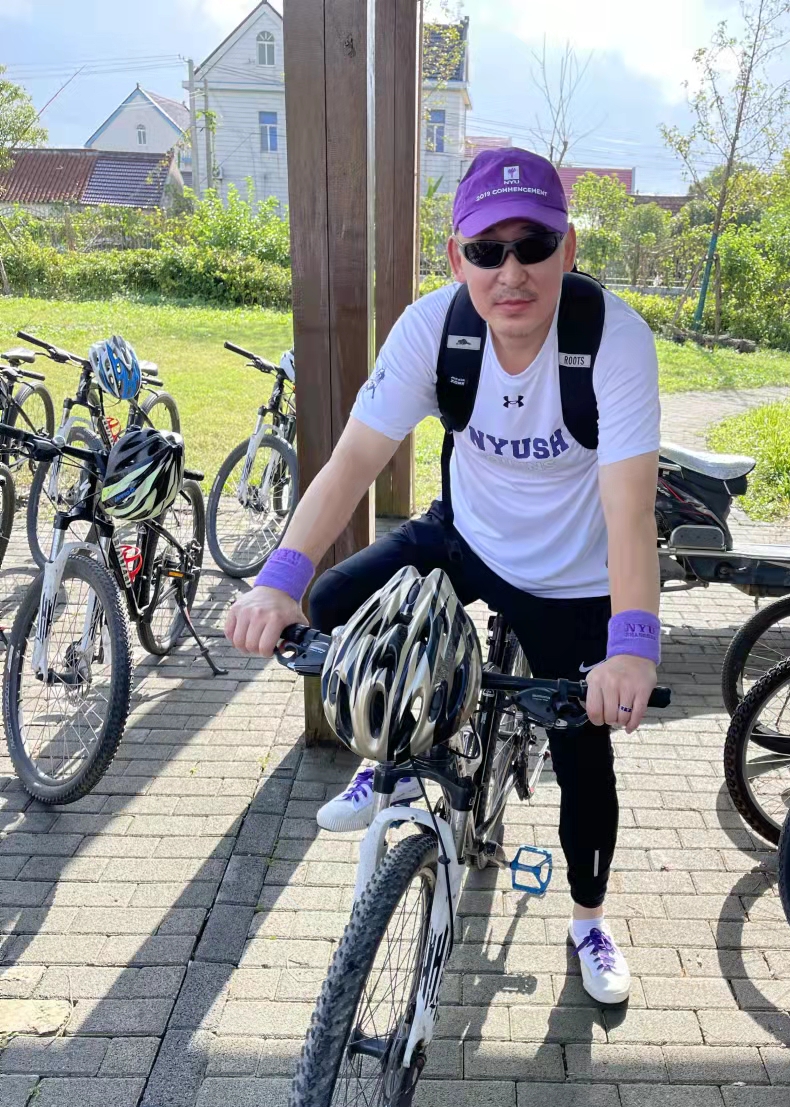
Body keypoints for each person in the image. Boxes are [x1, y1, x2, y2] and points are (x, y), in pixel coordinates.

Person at [226, 147, 661, 1004]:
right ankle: (385, 749)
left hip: (574, 576)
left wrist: (633, 647)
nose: (512, 271)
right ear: (457, 258)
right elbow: (352, 464)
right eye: (486, 249)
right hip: (465, 536)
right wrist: (277, 581)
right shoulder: (434, 329)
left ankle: (588, 921)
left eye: (532, 243)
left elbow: (629, 514)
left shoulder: (613, 341)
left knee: (586, 758)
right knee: (329, 600)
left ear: (567, 250)